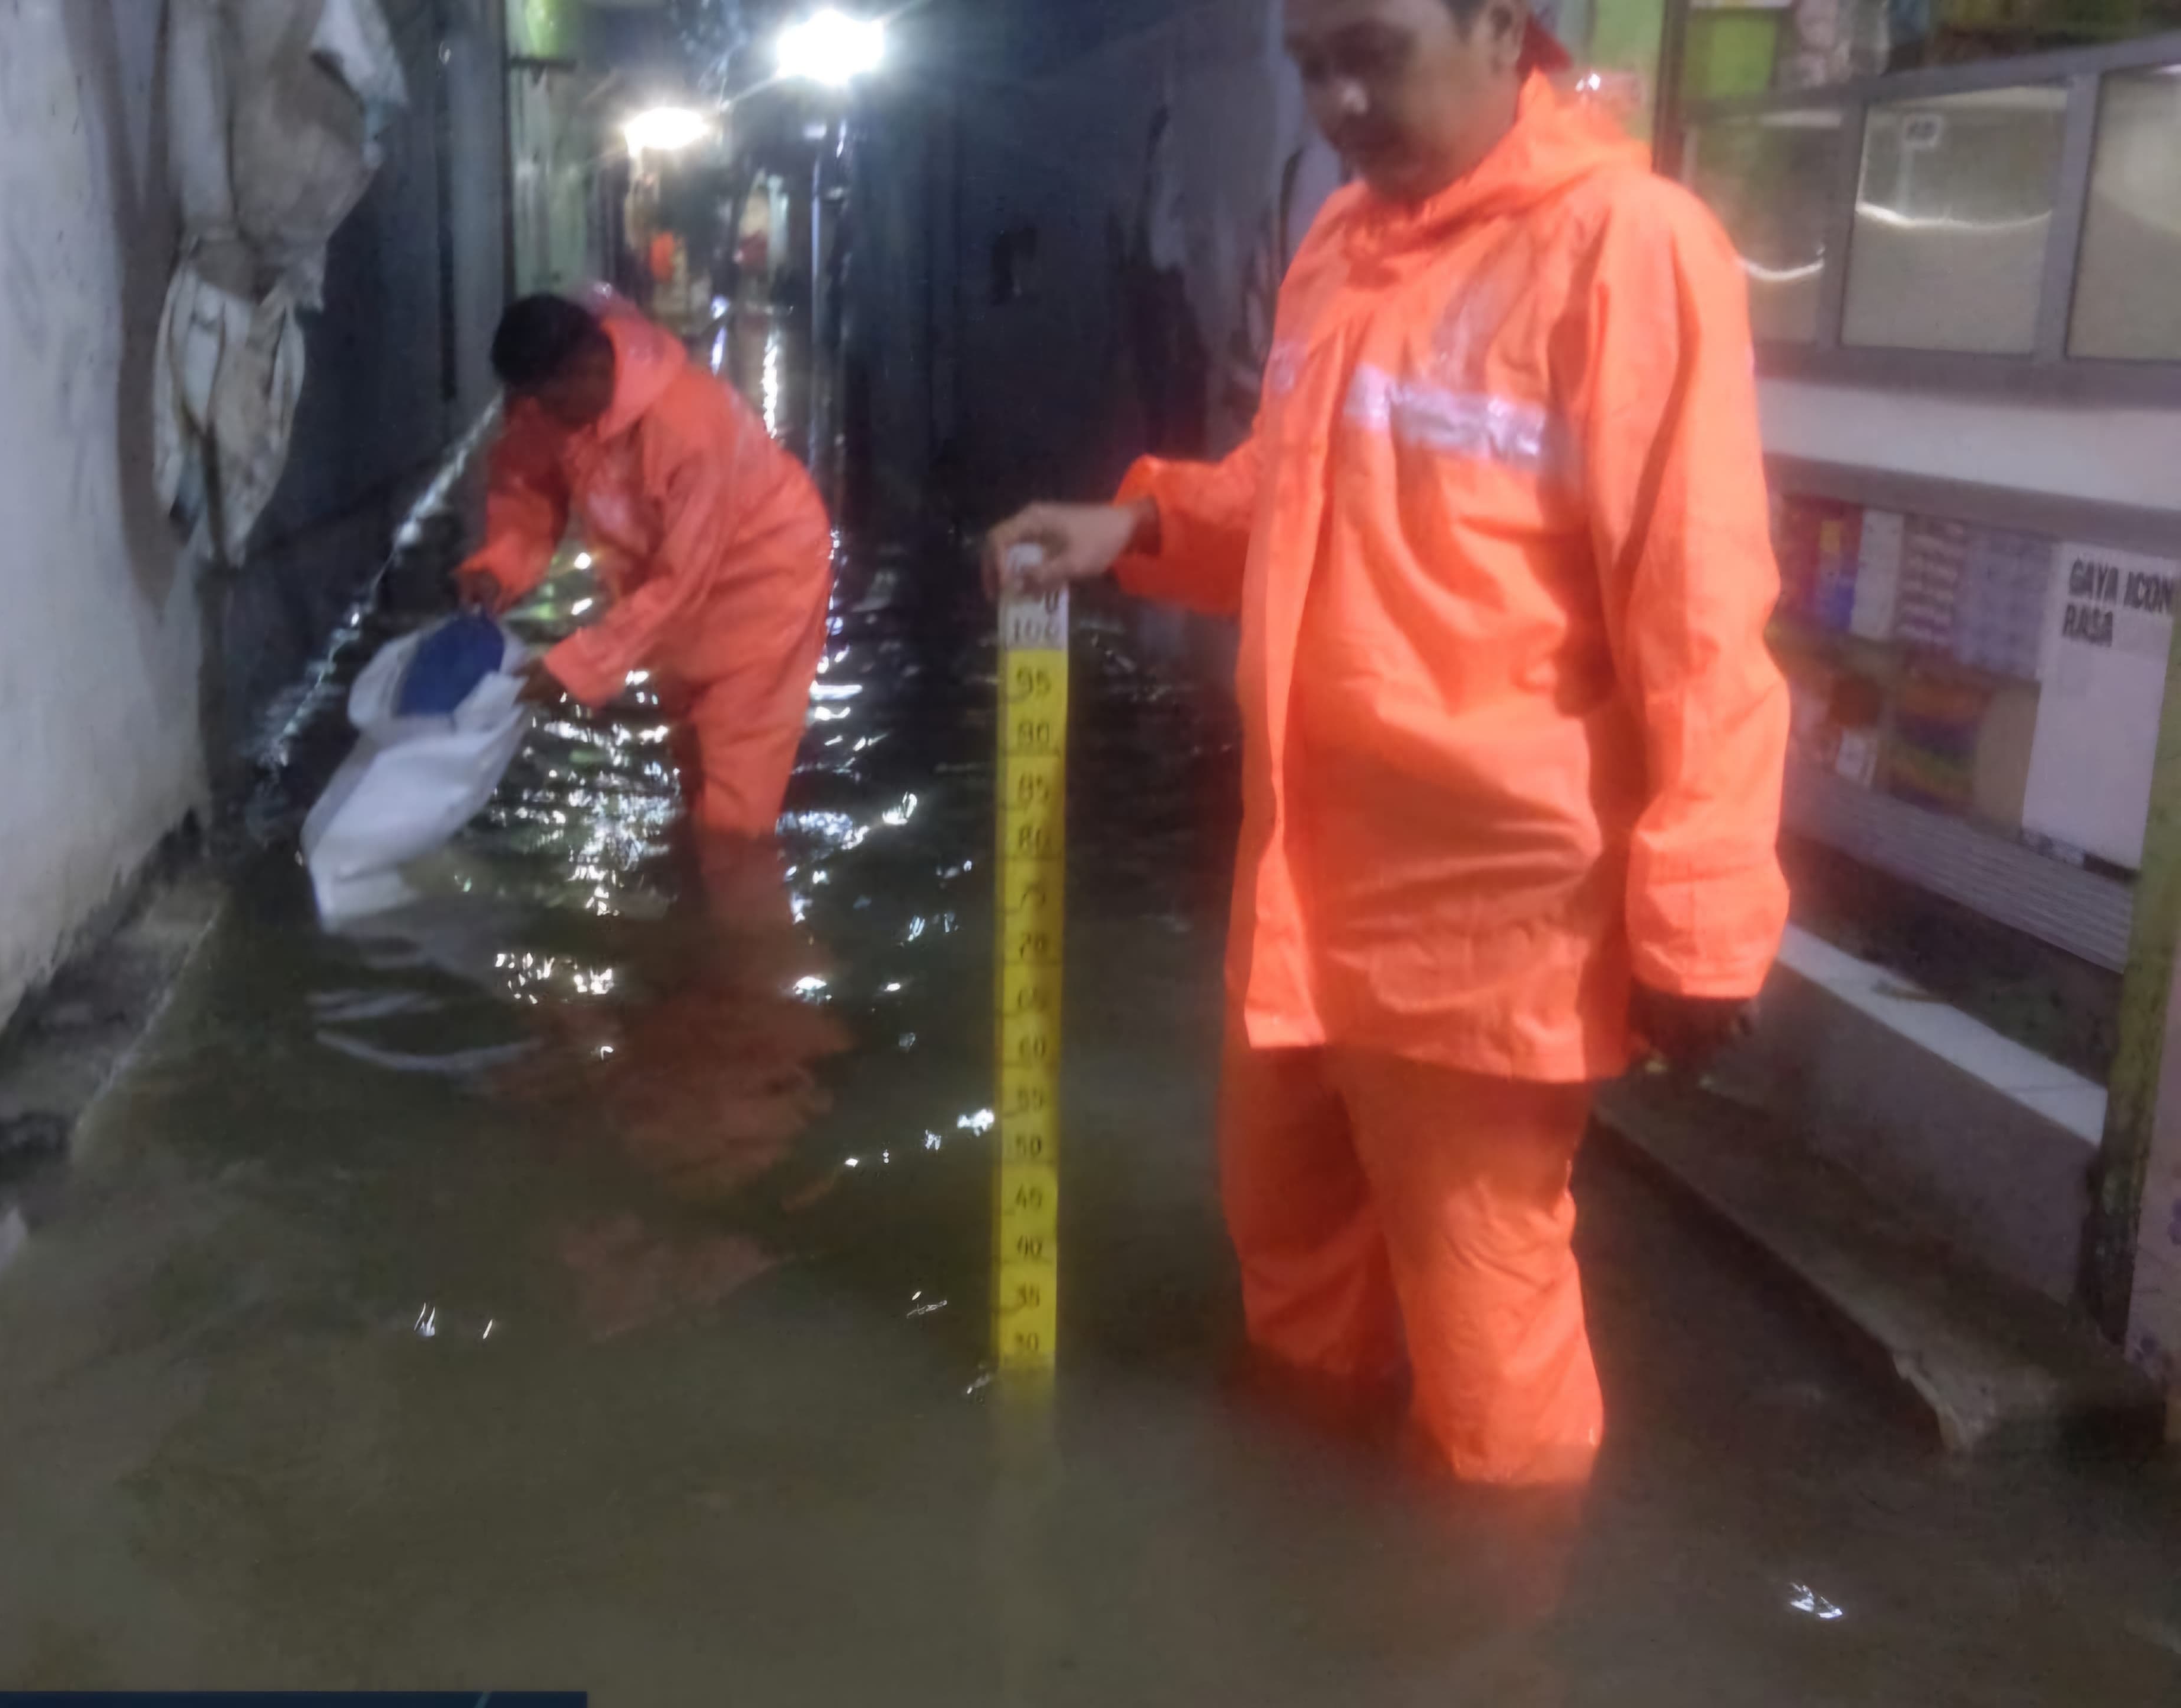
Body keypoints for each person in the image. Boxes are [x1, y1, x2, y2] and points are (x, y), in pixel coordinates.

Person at [985, 0, 1790, 1486]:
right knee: (1288, 1258)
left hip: (1480, 914)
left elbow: (1696, 604)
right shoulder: (1342, 248)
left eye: (1372, 51)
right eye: (1309, 67)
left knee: (1489, 1346)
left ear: (1504, 27)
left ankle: (1491, 1621)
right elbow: (1298, 492)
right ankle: (1305, 1553)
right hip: (1299, 880)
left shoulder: (1626, 247)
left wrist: (1696, 921)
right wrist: (1140, 522)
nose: (1339, 100)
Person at [459, 292, 834, 846]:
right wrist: (500, 568)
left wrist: (575, 666)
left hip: (765, 591)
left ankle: (750, 929)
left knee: (733, 824)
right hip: (665, 605)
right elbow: (530, 489)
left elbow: (682, 581)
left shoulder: (690, 426)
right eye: (527, 400)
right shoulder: (556, 404)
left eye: (547, 398)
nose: (538, 415)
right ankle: (698, 916)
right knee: (694, 771)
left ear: (589, 369)